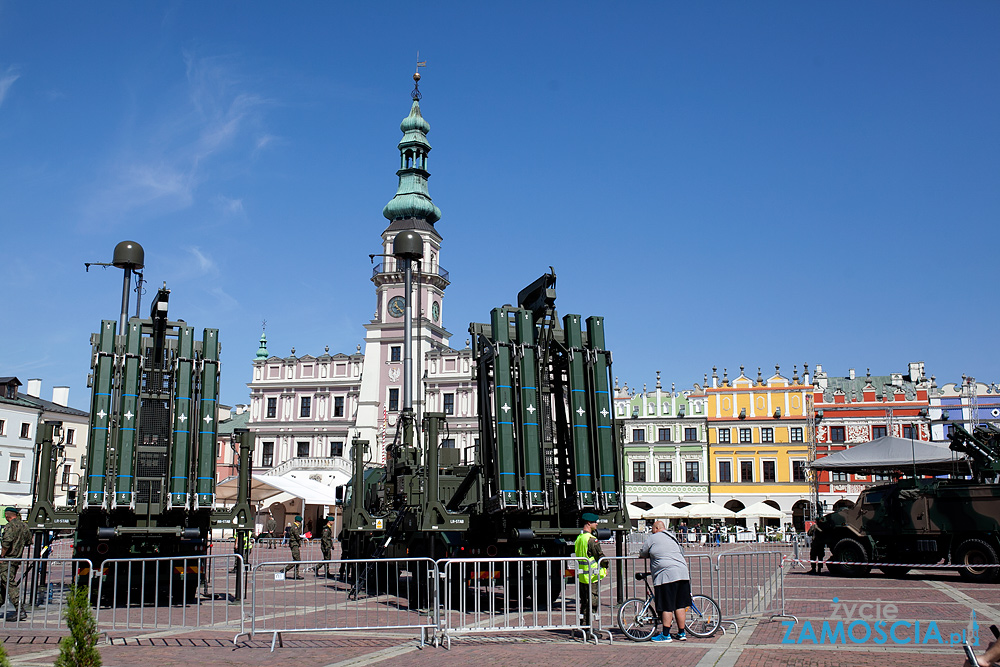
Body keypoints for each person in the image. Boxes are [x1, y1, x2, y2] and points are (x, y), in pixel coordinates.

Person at [639, 520, 691, 643]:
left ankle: (666, 634)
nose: (652, 531)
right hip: (682, 573)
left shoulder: (653, 537)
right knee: (680, 605)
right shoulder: (672, 536)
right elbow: (681, 552)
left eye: (652, 529)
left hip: (666, 575)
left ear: (656, 528)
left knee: (667, 606)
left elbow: (643, 552)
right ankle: (681, 633)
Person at [574, 512, 607, 629]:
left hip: (582, 576)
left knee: (584, 603)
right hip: (592, 576)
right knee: (592, 603)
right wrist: (606, 564)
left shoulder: (579, 538)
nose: (597, 524)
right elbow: (600, 557)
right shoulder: (591, 539)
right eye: (595, 522)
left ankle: (583, 627)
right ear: (589, 523)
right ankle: (589, 629)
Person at [0, 507, 31, 621]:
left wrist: (2, 555)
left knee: (8, 583)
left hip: (7, 559)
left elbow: (6, 542)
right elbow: (28, 541)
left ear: (7, 516)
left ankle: (20, 609)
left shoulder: (10, 526)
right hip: (16, 559)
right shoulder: (24, 526)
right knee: (4, 583)